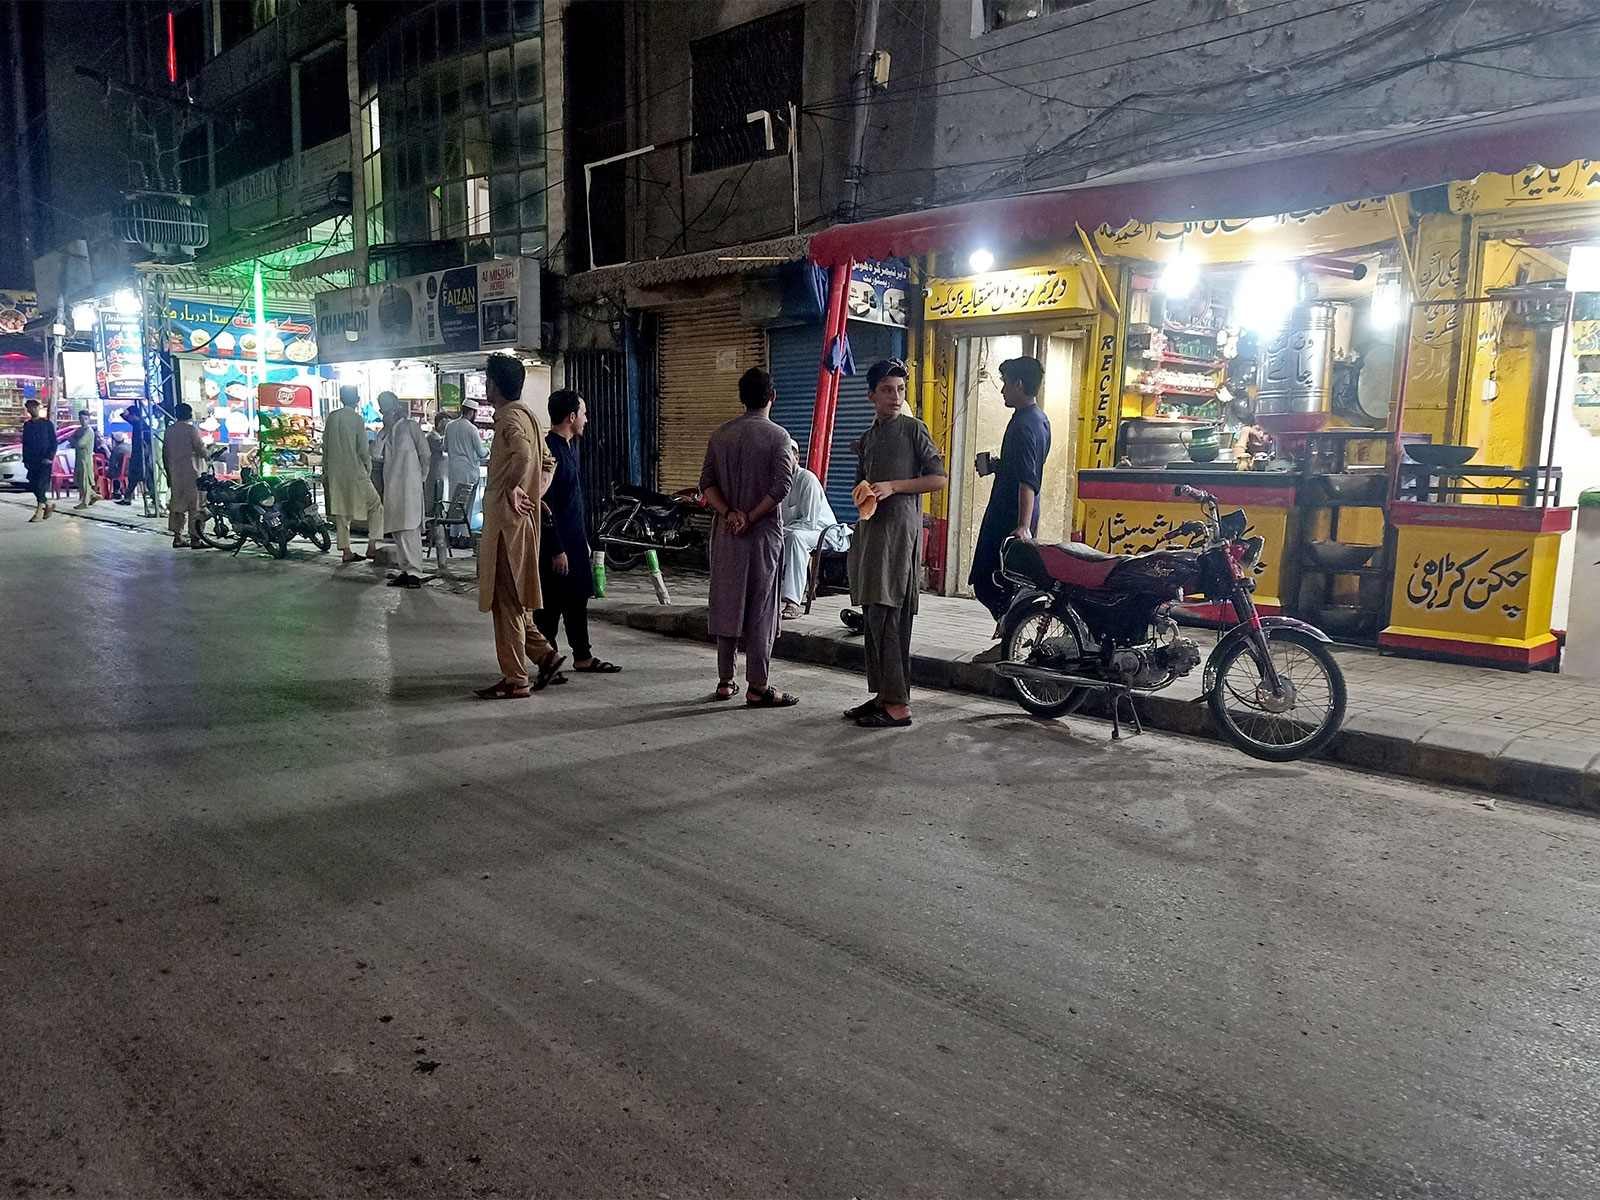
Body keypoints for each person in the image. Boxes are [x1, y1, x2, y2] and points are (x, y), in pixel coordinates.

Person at [844, 359, 948, 729]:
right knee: (872, 615)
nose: (895, 396)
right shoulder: (870, 437)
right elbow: (863, 483)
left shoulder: (913, 430)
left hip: (899, 539)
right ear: (872, 395)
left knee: (891, 617)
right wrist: (866, 491)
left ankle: (899, 705)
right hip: (872, 535)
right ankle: (883, 695)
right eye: (887, 389)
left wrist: (894, 486)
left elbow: (938, 479)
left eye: (901, 390)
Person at [700, 367, 798, 707]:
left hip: (727, 535)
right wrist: (751, 517)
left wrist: (730, 514)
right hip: (762, 537)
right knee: (761, 609)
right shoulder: (779, 437)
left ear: (741, 399)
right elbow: (782, 486)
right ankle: (758, 686)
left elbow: (707, 485)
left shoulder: (720, 435)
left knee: (727, 602)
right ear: (772, 397)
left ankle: (725, 681)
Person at [475, 355, 563, 699]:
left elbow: (526, 455)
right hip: (521, 524)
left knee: (507, 603)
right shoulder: (527, 415)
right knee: (516, 600)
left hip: (505, 528)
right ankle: (546, 656)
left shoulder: (510, 418)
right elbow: (547, 461)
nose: (486, 385)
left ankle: (515, 679)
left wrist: (514, 488)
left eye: (487, 380)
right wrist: (531, 492)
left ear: (494, 385)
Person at [970, 356, 1051, 661]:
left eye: (1005, 383)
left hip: (1011, 517)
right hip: (1012, 511)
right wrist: (997, 466)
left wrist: (1022, 525)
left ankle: (1007, 644)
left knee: (989, 581)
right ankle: (1007, 641)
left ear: (1019, 384)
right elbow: (1021, 467)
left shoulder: (1025, 426)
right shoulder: (1035, 418)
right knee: (1002, 581)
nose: (1002, 389)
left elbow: (1028, 478)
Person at [534, 390, 619, 677]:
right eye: (583, 414)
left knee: (577, 600)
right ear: (571, 417)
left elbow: (571, 503)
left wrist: (580, 541)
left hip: (573, 541)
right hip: (557, 545)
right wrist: (556, 548)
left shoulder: (568, 449)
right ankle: (549, 661)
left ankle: (582, 656)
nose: (585, 420)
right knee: (550, 606)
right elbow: (546, 506)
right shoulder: (550, 451)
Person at [374, 391, 431, 588]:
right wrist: (384, 430)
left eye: (387, 406)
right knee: (398, 529)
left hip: (411, 485)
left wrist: (421, 477)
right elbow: (375, 454)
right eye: (382, 408)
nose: (385, 411)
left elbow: (425, 453)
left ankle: (415, 572)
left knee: (410, 528)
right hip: (392, 485)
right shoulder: (387, 433)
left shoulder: (411, 427)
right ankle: (405, 570)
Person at [323, 385, 385, 564]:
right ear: (356, 400)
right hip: (356, 471)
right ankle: (372, 546)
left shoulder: (332, 417)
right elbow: (363, 449)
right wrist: (368, 468)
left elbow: (325, 446)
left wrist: (326, 471)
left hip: (335, 472)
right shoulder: (357, 419)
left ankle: (346, 551)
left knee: (341, 512)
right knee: (376, 506)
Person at [778, 437, 836, 620]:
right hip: (792, 531)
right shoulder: (776, 481)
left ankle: (792, 602)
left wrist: (780, 531)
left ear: (796, 459)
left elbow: (809, 522)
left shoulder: (806, 479)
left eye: (787, 457)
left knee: (796, 538)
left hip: (821, 532)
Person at [161, 402, 207, 549]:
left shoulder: (169, 431)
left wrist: (168, 472)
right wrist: (209, 451)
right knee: (195, 506)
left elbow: (165, 453)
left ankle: (177, 537)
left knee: (177, 505)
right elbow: (201, 449)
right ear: (190, 415)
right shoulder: (191, 430)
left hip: (175, 473)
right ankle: (195, 538)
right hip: (192, 473)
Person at [444, 397, 488, 522]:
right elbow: (481, 452)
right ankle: (464, 535)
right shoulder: (471, 428)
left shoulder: (450, 426)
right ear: (471, 413)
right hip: (468, 469)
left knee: (454, 500)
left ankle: (453, 532)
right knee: (467, 504)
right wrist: (489, 451)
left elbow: (445, 447)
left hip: (453, 468)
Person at [21, 399, 55, 522]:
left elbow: (53, 442)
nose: (32, 410)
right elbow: (25, 443)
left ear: (38, 408)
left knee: (41, 484)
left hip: (44, 460)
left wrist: (49, 457)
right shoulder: (28, 425)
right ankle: (47, 503)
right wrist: (25, 459)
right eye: (30, 408)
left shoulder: (47, 424)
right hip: (32, 460)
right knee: (33, 484)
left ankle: (39, 512)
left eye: (35, 407)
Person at [72, 410, 101, 509]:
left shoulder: (89, 431)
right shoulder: (79, 430)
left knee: (85, 480)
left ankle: (85, 502)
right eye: (81, 418)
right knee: (79, 480)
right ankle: (93, 495)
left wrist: (75, 441)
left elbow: (80, 443)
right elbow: (70, 439)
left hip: (86, 459)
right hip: (79, 458)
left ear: (89, 419)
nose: (83, 421)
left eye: (85, 419)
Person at [425, 411, 449, 515]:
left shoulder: (438, 436)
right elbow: (442, 446)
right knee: (434, 497)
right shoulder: (431, 437)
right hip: (433, 472)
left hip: (440, 473)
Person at [108, 432, 129, 500]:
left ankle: (116, 491)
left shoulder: (116, 449)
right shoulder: (130, 446)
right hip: (132, 471)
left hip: (122, 472)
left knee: (112, 472)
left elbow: (112, 464)